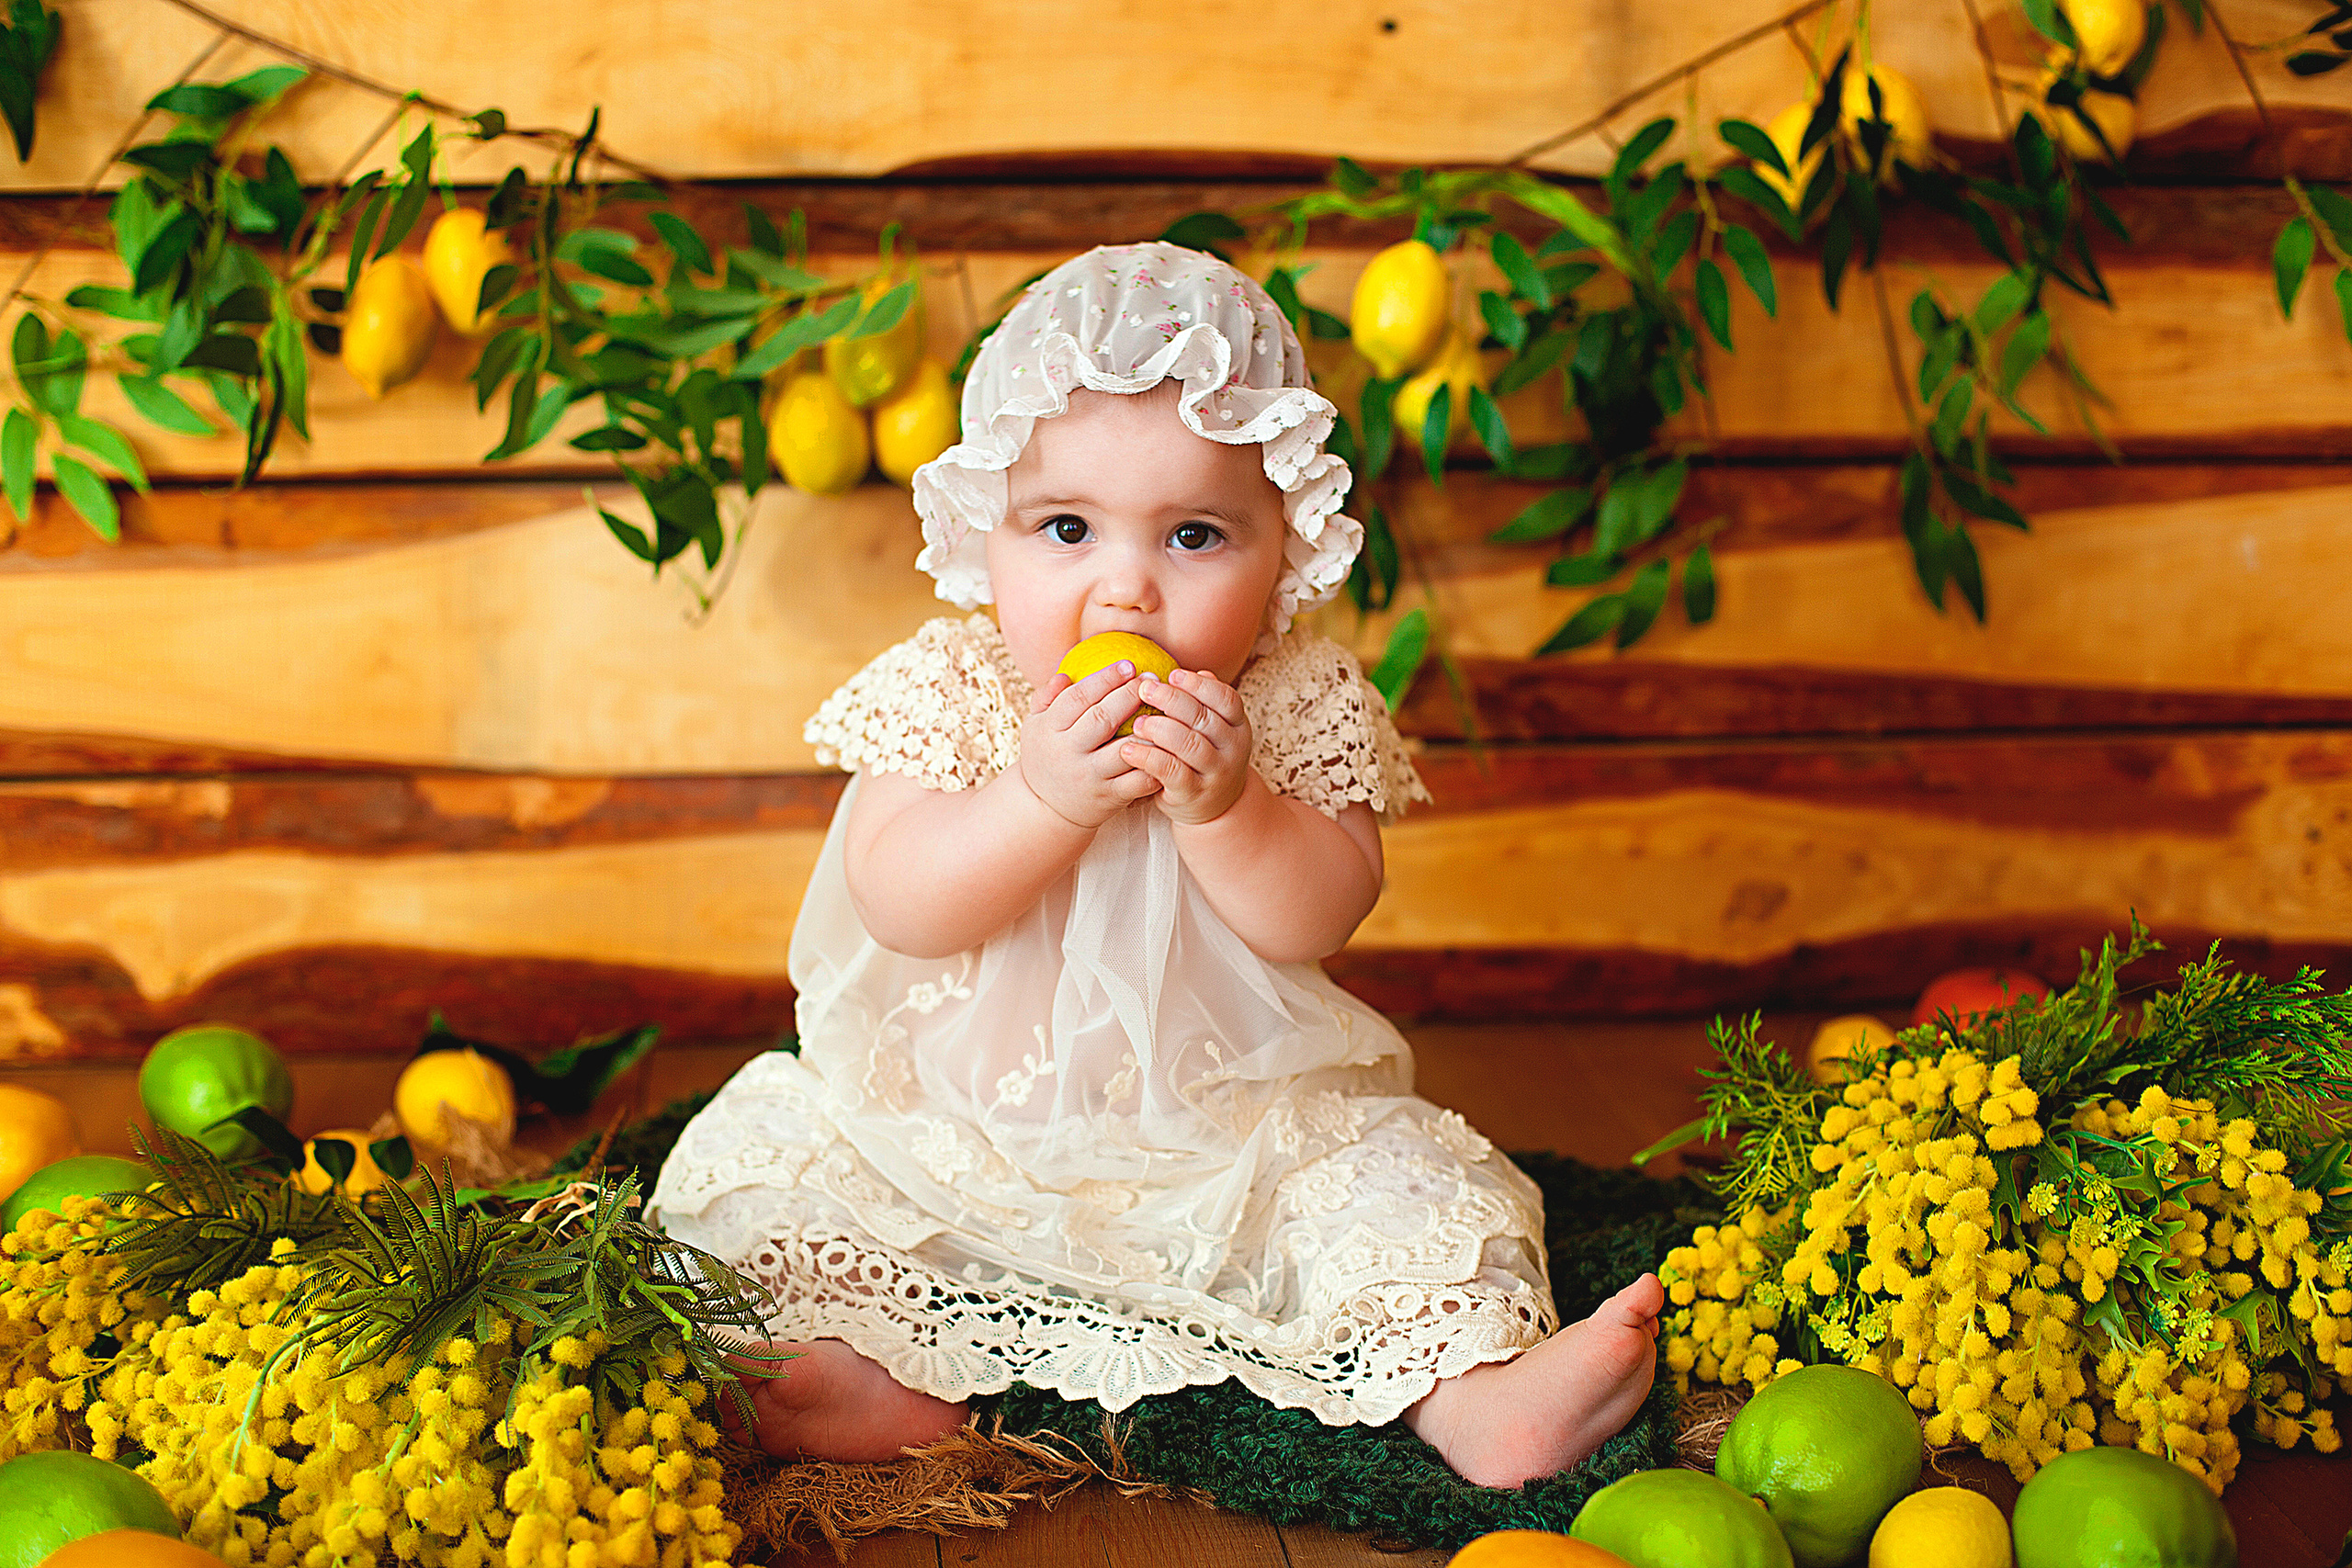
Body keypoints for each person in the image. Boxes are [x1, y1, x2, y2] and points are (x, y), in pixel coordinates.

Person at [650, 241, 1662, 1488]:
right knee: (767, 1200)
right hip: (950, 1131)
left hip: (1236, 1137)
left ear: (1281, 551)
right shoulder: (961, 690)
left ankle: (1480, 1394)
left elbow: (1321, 915)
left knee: (1410, 1193)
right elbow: (898, 901)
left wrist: (1228, 809)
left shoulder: (1287, 706)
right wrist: (1036, 798)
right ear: (988, 535)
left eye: (1192, 536)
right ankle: (850, 1379)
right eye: (1065, 528)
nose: (1122, 589)